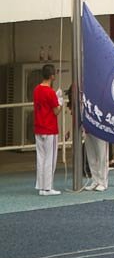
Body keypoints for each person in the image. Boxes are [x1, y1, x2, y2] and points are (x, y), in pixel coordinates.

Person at [33, 63, 61, 196]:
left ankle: (41, 186)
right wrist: (59, 101)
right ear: (52, 76)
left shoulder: (36, 89)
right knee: (50, 158)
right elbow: (56, 111)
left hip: (39, 127)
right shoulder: (50, 92)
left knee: (41, 157)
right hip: (50, 128)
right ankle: (48, 187)